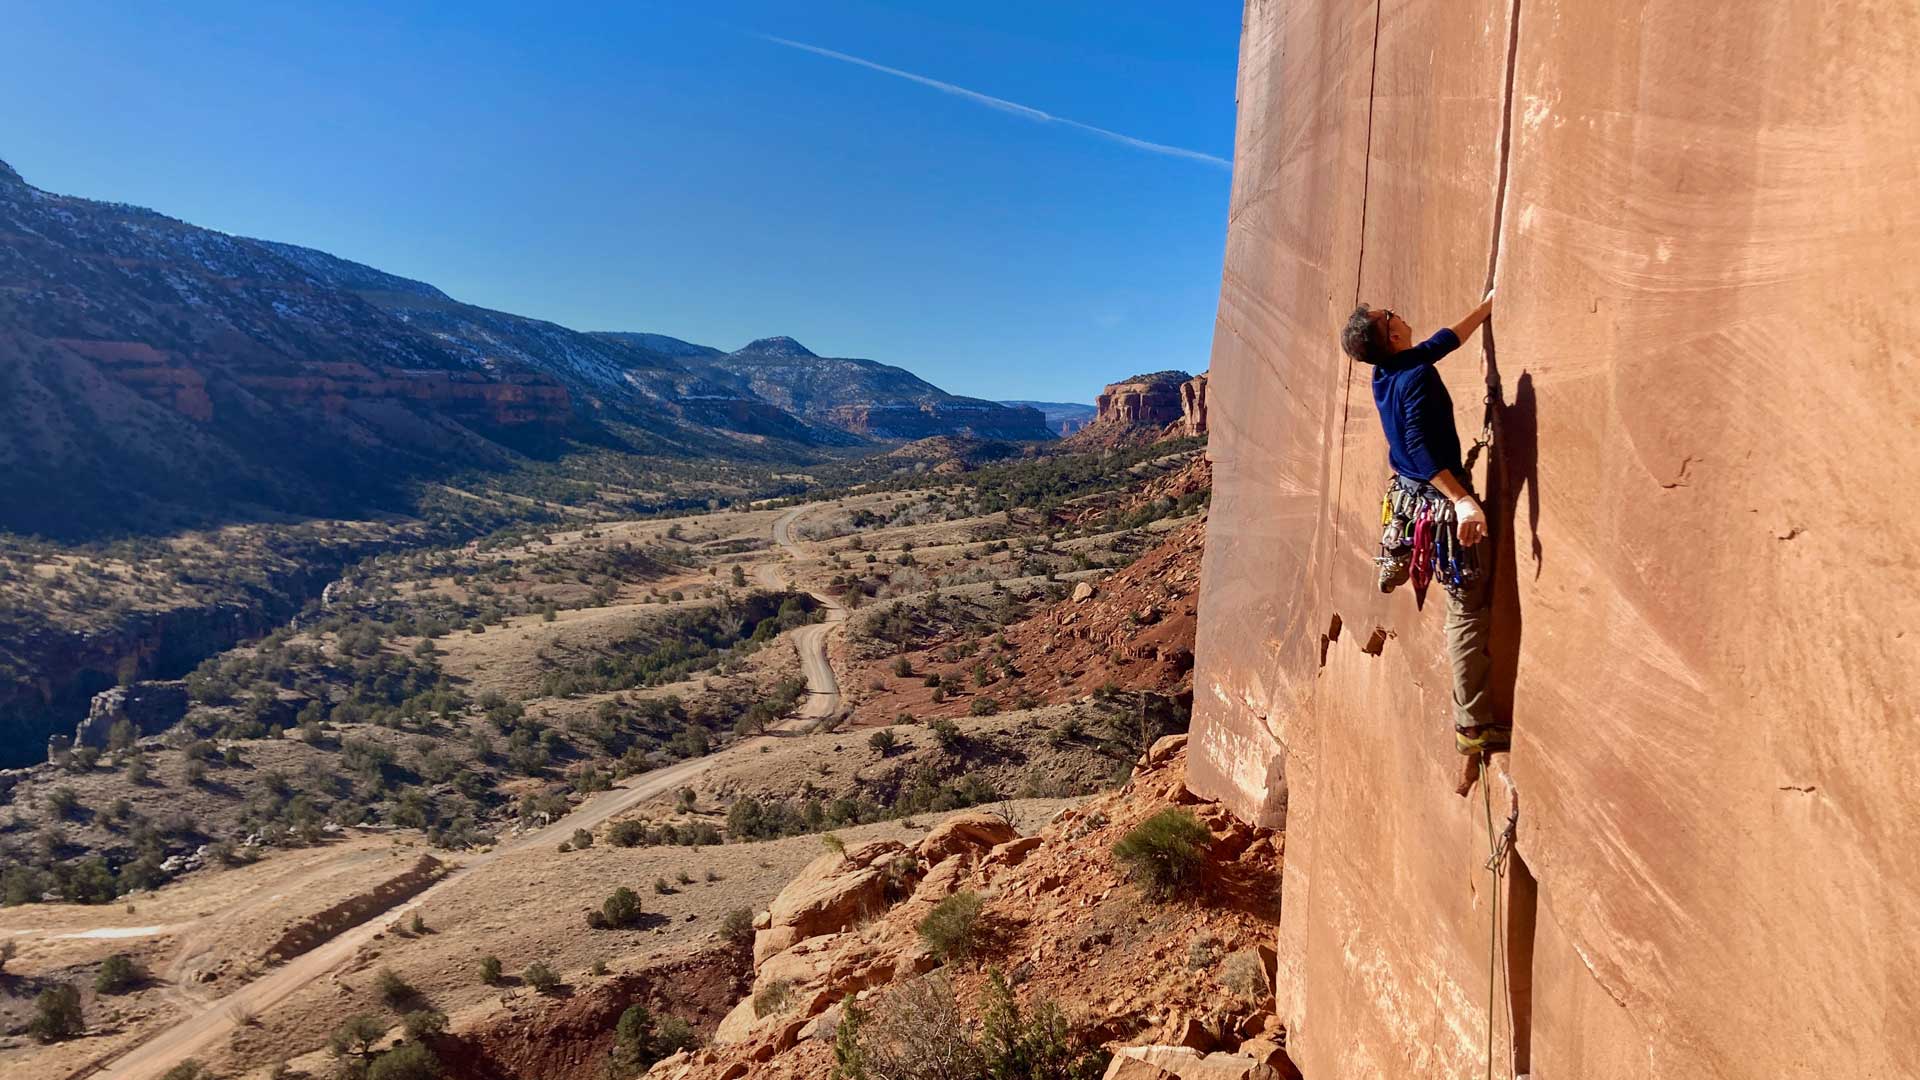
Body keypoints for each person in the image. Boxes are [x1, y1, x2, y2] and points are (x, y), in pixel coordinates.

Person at [1340, 290, 1509, 763]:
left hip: (1410, 496)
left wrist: (1486, 307)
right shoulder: (1413, 376)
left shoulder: (1387, 370)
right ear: (1393, 335)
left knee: (1461, 599)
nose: (1397, 312)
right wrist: (1463, 501)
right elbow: (1417, 445)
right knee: (1467, 610)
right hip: (1439, 505)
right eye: (1390, 315)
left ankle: (1393, 557)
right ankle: (1472, 726)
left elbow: (1441, 342)